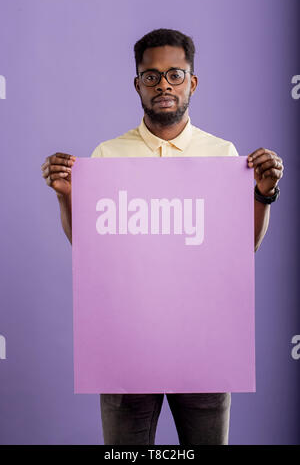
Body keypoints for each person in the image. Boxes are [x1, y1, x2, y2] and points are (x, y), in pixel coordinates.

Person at [41, 28, 284, 445]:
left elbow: (242, 249)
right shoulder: (107, 156)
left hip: (203, 346)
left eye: (174, 74)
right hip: (126, 346)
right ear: (138, 84)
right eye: (151, 76)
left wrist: (263, 195)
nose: (163, 85)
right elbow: (91, 252)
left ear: (192, 82)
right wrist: (66, 198)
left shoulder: (224, 156)